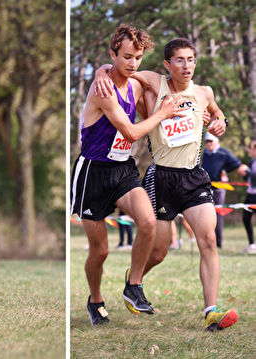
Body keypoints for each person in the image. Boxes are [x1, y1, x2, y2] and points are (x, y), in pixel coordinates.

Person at [94, 37, 238, 331]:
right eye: (180, 60)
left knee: (208, 239)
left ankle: (211, 310)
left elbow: (216, 110)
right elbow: (118, 67)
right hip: (161, 177)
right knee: (159, 251)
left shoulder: (203, 91)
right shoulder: (153, 82)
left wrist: (222, 120)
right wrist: (99, 72)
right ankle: (134, 282)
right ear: (167, 64)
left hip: (194, 176)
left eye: (191, 60)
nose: (187, 66)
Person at [70, 24, 182, 325]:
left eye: (138, 57)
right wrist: (162, 114)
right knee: (101, 250)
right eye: (126, 57)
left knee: (147, 221)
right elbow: (131, 131)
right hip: (92, 173)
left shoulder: (135, 84)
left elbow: (155, 117)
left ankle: (133, 286)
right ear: (113, 54)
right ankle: (95, 300)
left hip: (123, 169)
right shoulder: (102, 87)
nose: (133, 64)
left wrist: (197, 116)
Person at [202, 132, 248, 248]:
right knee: (207, 215)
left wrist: (224, 172)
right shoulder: (205, 154)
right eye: (206, 141)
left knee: (218, 214)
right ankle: (208, 241)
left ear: (217, 141)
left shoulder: (224, 153)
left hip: (220, 189)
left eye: (210, 141)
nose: (208, 144)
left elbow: (237, 165)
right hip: (206, 187)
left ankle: (218, 243)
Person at [241, 139, 256, 254]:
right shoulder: (252, 162)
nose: (249, 151)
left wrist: (248, 172)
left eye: (250, 149)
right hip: (250, 194)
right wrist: (245, 174)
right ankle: (251, 244)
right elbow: (249, 179)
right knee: (246, 218)